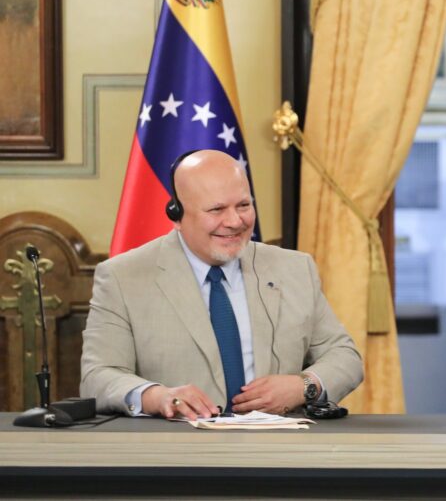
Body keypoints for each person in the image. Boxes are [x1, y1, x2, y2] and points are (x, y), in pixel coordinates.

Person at [81, 150, 363, 419]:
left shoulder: (295, 268)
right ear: (176, 215)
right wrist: (158, 397)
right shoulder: (122, 277)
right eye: (216, 209)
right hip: (175, 454)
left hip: (280, 451)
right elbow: (98, 377)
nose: (235, 221)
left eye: (243, 205)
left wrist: (304, 385)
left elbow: (344, 356)